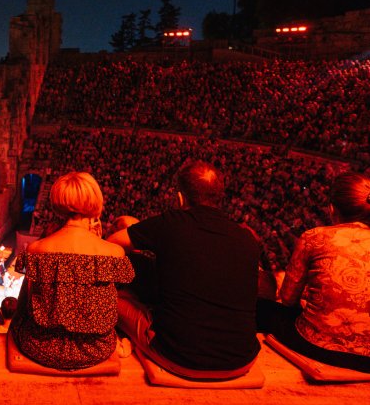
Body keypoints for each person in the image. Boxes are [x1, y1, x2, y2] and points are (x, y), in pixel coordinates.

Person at [109, 160, 261, 378]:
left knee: (114, 299)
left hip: (179, 356)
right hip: (242, 359)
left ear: (180, 197)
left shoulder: (171, 223)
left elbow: (114, 242)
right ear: (219, 197)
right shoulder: (247, 238)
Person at [9, 172, 135, 370]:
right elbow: (108, 303)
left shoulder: (36, 250)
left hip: (40, 347)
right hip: (96, 350)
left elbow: (25, 305)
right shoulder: (114, 253)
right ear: (95, 202)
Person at [258, 171, 370, 371]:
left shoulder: (314, 237)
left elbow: (287, 299)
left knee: (263, 308)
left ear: (332, 208)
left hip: (320, 347)